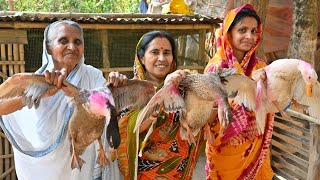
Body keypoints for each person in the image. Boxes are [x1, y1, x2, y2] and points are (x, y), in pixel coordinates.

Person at [0, 20, 121, 180]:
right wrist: (41, 94)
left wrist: (77, 93)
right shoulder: (35, 80)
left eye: (78, 42)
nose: (72, 47)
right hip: (44, 167)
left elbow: (107, 107)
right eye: (63, 41)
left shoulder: (92, 75)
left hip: (82, 165)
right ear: (49, 48)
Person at [109, 30, 204, 180]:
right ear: (141, 57)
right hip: (145, 175)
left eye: (167, 53)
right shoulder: (130, 90)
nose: (162, 58)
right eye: (154, 52)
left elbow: (204, 121)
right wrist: (165, 90)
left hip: (179, 173)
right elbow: (129, 130)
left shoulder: (184, 89)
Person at [204, 4, 274, 180]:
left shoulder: (261, 67)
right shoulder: (216, 69)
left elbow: (273, 104)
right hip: (224, 151)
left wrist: (264, 87)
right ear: (228, 33)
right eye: (242, 30)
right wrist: (251, 86)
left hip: (256, 150)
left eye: (253, 31)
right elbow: (208, 115)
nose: (249, 36)